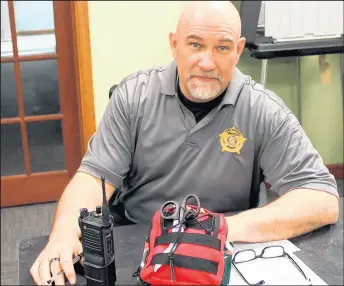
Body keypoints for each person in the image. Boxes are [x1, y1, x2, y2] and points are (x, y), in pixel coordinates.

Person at [30, 1, 339, 285]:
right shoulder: (133, 97)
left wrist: (220, 228)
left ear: (238, 50)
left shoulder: (262, 109)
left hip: (223, 252)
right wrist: (63, 233)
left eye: (222, 47)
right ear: (174, 44)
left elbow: (322, 200)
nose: (207, 62)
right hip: (139, 247)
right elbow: (92, 178)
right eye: (195, 44)